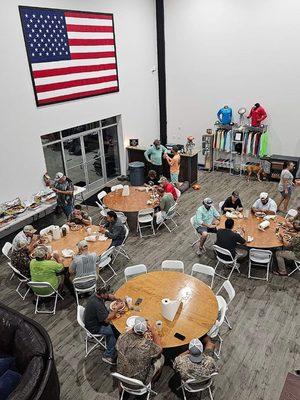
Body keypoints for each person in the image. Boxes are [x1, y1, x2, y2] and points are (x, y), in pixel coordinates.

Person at [116, 317, 164, 384]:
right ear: (145, 331)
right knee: (161, 358)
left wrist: (135, 326)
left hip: (121, 376)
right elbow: (160, 350)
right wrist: (154, 332)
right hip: (139, 382)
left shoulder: (121, 337)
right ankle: (152, 383)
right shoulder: (147, 346)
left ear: (133, 328)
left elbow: (127, 333)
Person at [84, 284, 124, 365]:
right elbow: (106, 320)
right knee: (115, 331)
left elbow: (109, 296)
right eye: (106, 293)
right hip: (95, 327)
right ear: (102, 294)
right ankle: (107, 355)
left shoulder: (97, 295)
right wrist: (116, 309)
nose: (108, 294)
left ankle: (111, 345)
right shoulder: (97, 304)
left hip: (96, 320)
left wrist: (118, 299)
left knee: (114, 326)